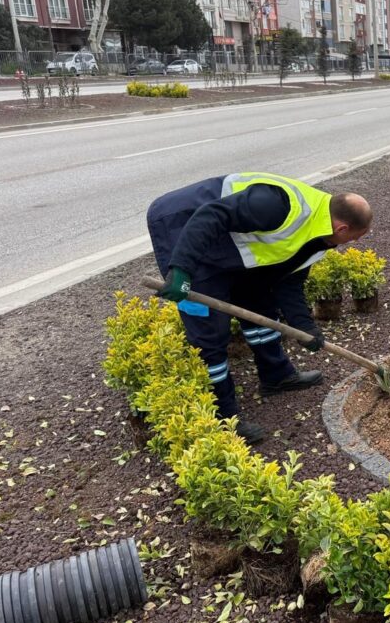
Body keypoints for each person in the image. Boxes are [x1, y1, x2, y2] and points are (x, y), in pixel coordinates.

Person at [147, 172, 373, 443]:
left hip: (231, 246)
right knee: (209, 333)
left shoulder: (322, 238)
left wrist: (305, 327)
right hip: (184, 224)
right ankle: (223, 419)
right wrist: (181, 268)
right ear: (342, 229)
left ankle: (276, 376)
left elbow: (288, 283)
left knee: (260, 301)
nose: (356, 243)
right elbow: (211, 215)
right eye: (356, 237)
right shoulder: (280, 205)